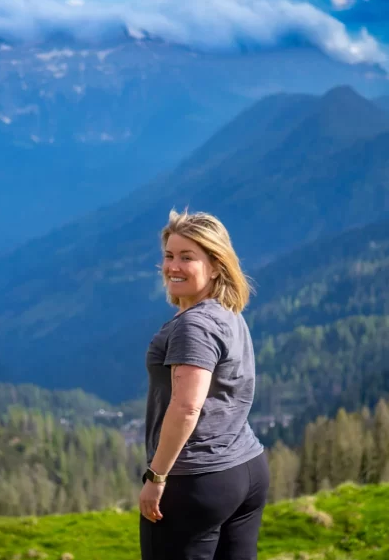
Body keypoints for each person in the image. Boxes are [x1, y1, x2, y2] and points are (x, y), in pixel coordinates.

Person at [138, 208, 270, 560]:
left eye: (187, 257)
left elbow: (186, 407)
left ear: (215, 265)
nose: (173, 267)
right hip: (246, 468)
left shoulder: (193, 326)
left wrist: (157, 476)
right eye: (169, 256)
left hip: (197, 479)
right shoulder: (227, 312)